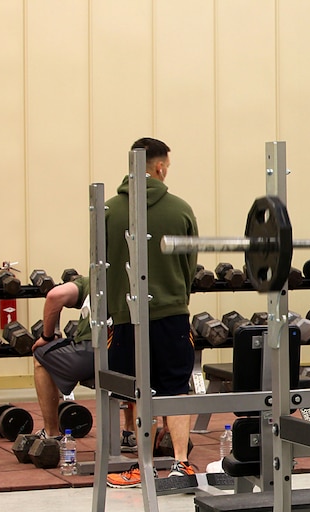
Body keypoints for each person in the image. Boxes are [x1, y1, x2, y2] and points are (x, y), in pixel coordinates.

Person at [104, 137, 199, 488]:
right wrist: (174, 296)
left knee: (134, 388)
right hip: (171, 313)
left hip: (125, 316)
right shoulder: (180, 209)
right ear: (159, 167)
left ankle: (141, 464)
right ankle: (181, 463)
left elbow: (100, 265)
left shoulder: (108, 210)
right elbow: (189, 266)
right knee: (175, 389)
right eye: (167, 167)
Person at [30, 276, 137, 450]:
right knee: (134, 362)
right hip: (133, 356)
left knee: (40, 356)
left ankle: (51, 433)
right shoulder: (142, 280)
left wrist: (47, 336)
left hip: (91, 355)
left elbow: (54, 296)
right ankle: (130, 432)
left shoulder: (93, 280)